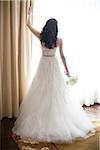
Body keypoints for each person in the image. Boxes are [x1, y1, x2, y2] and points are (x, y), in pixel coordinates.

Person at [12, 6, 96, 143]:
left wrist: (29, 13)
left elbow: (28, 25)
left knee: (41, 93)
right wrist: (67, 70)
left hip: (43, 65)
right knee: (56, 94)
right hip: (54, 66)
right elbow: (63, 57)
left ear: (46, 27)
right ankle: (55, 118)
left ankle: (44, 118)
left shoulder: (41, 37)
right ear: (56, 29)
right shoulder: (59, 41)